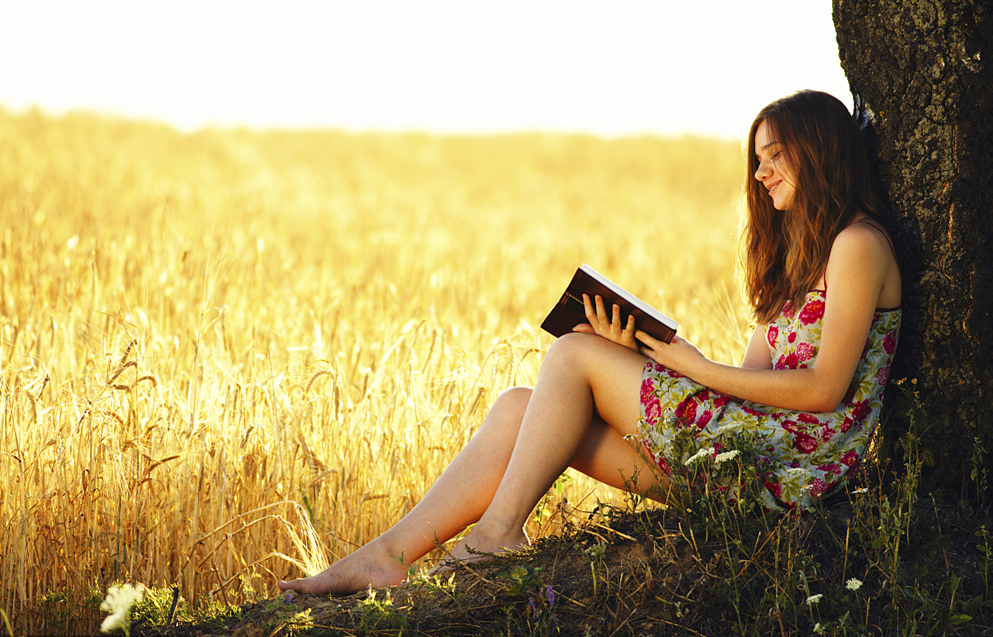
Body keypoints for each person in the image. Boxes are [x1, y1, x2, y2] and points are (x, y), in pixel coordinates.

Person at [278, 90, 901, 596]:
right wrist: (641, 357)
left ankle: (498, 533)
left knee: (572, 356)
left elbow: (823, 391)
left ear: (816, 151)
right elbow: (750, 392)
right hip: (747, 458)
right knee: (521, 408)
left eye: (773, 156)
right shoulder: (798, 263)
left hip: (791, 479)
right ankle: (386, 556)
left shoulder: (858, 246)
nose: (760, 173)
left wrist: (693, 366)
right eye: (757, 160)